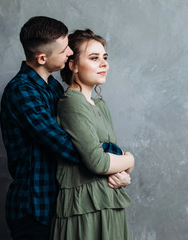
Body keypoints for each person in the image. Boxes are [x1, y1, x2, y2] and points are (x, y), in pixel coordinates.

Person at [0, 16, 130, 240]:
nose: (70, 52)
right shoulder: (22, 92)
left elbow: (86, 144)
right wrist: (120, 158)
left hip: (62, 204)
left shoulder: (54, 90)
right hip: (35, 208)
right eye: (64, 50)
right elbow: (67, 146)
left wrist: (119, 170)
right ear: (42, 58)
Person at [50, 29, 135, 240]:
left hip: (108, 202)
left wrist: (123, 169)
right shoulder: (71, 102)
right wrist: (130, 159)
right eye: (94, 58)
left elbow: (111, 153)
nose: (104, 64)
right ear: (73, 65)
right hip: (85, 210)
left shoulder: (99, 104)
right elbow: (98, 162)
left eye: (105, 58)